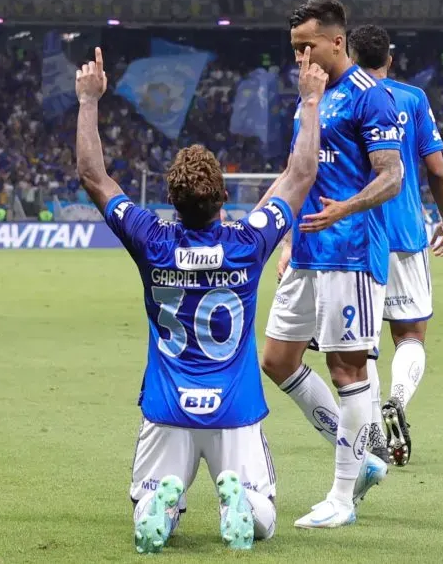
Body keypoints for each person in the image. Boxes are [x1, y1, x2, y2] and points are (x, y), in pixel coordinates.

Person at [75, 46, 326, 553]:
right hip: (234, 407)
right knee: (265, 517)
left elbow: (94, 178)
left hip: (167, 407)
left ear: (172, 199)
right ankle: (241, 506)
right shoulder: (247, 243)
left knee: (146, 508)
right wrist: (311, 101)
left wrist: (87, 100)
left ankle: (161, 509)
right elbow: (300, 176)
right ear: (221, 200)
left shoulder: (152, 240)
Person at [256, 0, 404, 529]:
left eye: (307, 47)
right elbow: (298, 170)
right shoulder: (309, 97)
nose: (299, 58)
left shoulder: (372, 97)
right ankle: (361, 454)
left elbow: (393, 175)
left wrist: (346, 206)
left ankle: (343, 496)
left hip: (351, 251)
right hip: (307, 249)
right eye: (294, 49)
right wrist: (263, 227)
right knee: (276, 361)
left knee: (347, 368)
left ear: (336, 41)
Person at [348, 24, 443, 467]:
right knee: (410, 335)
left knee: (363, 345)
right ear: (390, 58)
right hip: (407, 233)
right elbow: (437, 171)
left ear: (351, 57)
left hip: (357, 236)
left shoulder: (344, 98)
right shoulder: (412, 98)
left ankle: (372, 424)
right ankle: (397, 400)